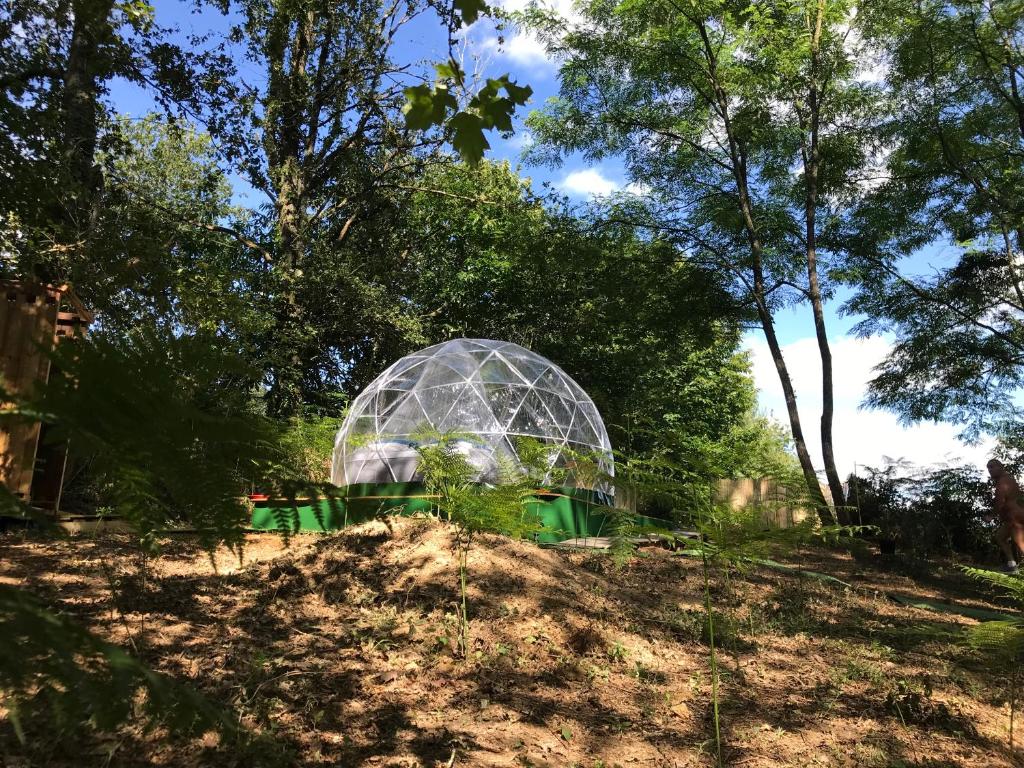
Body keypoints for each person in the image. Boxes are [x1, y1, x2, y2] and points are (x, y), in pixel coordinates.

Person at [987, 459, 1024, 573]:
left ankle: (1013, 567)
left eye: (992, 467)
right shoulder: (1009, 479)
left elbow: (1000, 502)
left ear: (1000, 467)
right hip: (1013, 516)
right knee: (1000, 537)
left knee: (1020, 543)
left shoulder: (1003, 482)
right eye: (988, 468)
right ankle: (1012, 565)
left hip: (1014, 517)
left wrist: (991, 516)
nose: (990, 470)